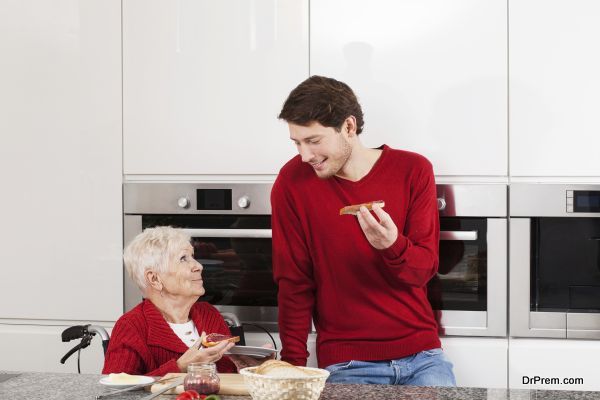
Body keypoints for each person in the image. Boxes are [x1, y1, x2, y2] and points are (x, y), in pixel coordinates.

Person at [271, 75, 456, 386]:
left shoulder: (413, 170)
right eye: (297, 143)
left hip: (423, 357)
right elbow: (294, 282)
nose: (305, 156)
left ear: (348, 127)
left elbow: (423, 271)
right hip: (347, 363)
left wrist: (392, 245)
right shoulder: (292, 183)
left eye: (314, 141)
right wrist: (293, 368)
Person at [103, 226, 237, 376]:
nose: (198, 266)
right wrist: (180, 367)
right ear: (154, 279)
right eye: (183, 258)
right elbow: (115, 392)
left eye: (192, 256)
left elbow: (230, 375)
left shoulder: (208, 313)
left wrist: (252, 368)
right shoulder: (131, 326)